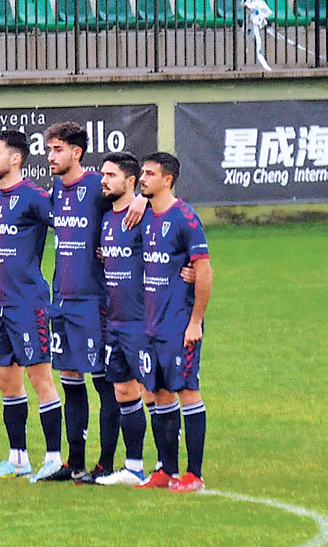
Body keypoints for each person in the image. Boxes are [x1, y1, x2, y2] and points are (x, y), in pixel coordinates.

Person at [40, 122, 142, 482]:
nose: (50, 157)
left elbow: (136, 193)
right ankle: (75, 462)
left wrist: (143, 199)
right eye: (49, 149)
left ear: (76, 152)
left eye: (57, 150)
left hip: (93, 301)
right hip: (62, 300)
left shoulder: (99, 186)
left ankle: (106, 463)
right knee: (70, 381)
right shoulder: (56, 188)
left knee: (105, 382)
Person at [0, 131, 64, 482]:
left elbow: (69, 226)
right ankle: (18, 459)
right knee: (6, 381)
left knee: (40, 379)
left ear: (16, 159)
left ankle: (54, 458)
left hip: (29, 302)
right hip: (1, 304)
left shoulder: (33, 197)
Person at [135, 153, 213, 493]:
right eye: (142, 172)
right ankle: (166, 470)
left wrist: (196, 322)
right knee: (159, 393)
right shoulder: (145, 215)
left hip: (179, 324)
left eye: (150, 173)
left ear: (168, 179)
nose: (143, 178)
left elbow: (204, 271)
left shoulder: (185, 217)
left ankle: (194, 475)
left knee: (187, 392)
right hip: (150, 324)